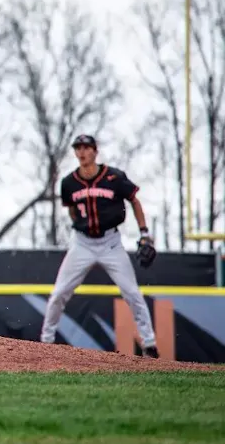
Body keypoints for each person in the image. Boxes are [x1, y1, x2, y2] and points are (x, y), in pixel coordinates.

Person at [39, 134, 159, 357]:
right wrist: (80, 225)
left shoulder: (113, 177)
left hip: (110, 242)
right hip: (82, 243)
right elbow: (72, 210)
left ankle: (150, 344)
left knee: (132, 293)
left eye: (86, 148)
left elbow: (134, 200)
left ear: (95, 151)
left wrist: (144, 234)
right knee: (59, 293)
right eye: (78, 148)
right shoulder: (69, 183)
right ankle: (46, 342)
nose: (82, 152)